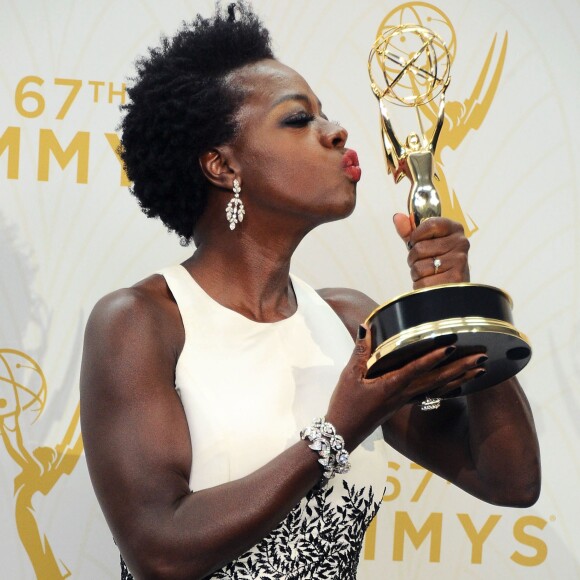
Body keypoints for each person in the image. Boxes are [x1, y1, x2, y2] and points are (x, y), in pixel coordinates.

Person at [79, 3, 541, 579]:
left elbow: (510, 480)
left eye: (324, 114)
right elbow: (160, 551)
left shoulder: (350, 322)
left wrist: (456, 304)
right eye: (298, 120)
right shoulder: (141, 322)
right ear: (222, 166)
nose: (337, 131)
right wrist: (338, 429)